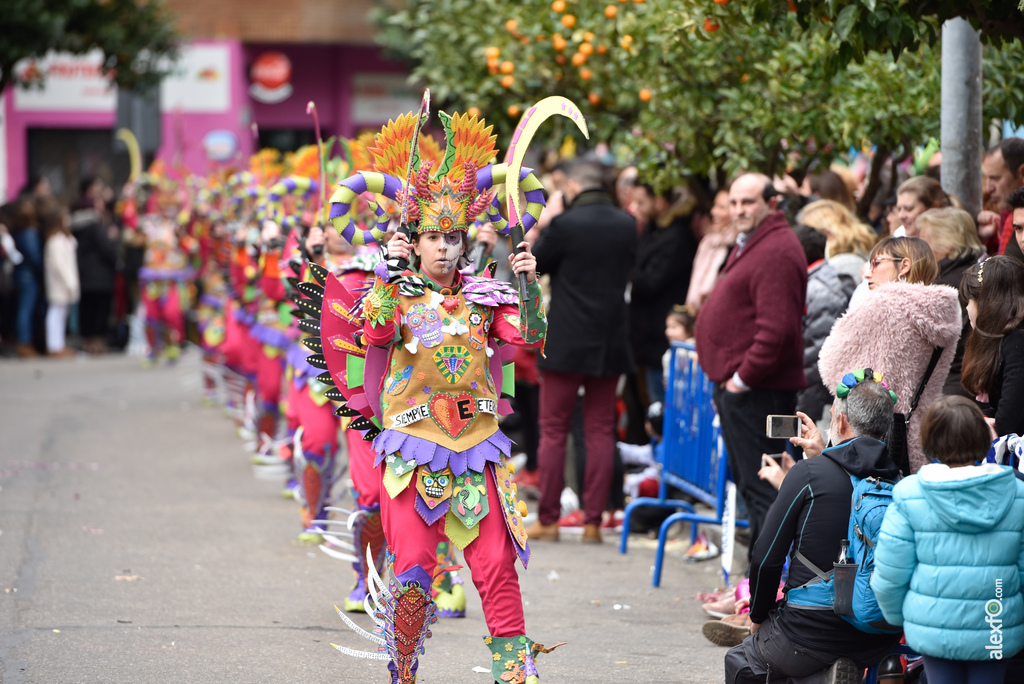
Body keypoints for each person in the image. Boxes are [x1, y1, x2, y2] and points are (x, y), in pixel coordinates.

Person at [313, 105, 564, 683]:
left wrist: (527, 281)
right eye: (432, 237)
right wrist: (386, 272)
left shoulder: (487, 296)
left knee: (498, 566)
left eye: (452, 236)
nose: (445, 248)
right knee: (414, 574)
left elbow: (528, 336)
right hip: (412, 451)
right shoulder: (395, 294)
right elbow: (373, 331)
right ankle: (403, 674)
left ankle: (515, 677)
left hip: (479, 448)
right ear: (415, 240)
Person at [724, 373, 903, 683]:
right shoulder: (900, 484)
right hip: (879, 636)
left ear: (842, 422)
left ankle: (820, 679)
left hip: (806, 634)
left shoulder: (809, 474)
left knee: (741, 661)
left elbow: (766, 557)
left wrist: (757, 614)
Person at [871, 396, 1024, 682]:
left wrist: (898, 617)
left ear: (929, 441)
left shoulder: (909, 494)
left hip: (933, 625)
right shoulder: (1016, 493)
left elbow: (890, 572)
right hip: (997, 625)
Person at [695, 172, 807, 554]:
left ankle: (762, 598)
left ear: (771, 203)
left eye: (748, 202)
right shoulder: (756, 242)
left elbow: (777, 331)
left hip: (760, 393)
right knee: (755, 489)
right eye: (734, 202)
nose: (739, 210)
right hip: (747, 391)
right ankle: (754, 590)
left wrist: (740, 380)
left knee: (765, 492)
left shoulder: (776, 248)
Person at [527, 159, 638, 543]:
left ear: (573, 187)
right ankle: (593, 522)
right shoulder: (627, 224)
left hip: (567, 338)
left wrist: (551, 219)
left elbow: (535, 265)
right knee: (600, 429)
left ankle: (550, 519)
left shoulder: (566, 224)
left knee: (554, 429)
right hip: (610, 338)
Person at [818, 237, 961, 473]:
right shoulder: (944, 311)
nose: (867, 273)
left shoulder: (883, 304)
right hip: (921, 435)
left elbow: (831, 365)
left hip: (872, 437)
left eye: (875, 263)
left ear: (904, 266)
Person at [630, 182, 699, 402]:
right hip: (647, 336)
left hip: (660, 335)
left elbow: (650, 283)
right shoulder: (652, 230)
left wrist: (627, 272)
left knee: (662, 404)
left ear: (659, 201)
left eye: (641, 202)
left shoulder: (676, 236)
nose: (634, 207)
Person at [916, 207, 987, 398]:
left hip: (948, 385)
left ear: (946, 244)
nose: (921, 250)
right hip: (968, 383)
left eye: (925, 241)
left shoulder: (944, 287)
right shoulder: (977, 275)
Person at [792, 225, 856, 426]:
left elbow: (816, 355)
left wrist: (804, 409)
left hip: (817, 406)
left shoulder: (820, 289)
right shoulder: (813, 282)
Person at [959, 255, 1024, 437]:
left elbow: (1009, 422)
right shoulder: (1009, 340)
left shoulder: (1017, 344)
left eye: (970, 300)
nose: (967, 308)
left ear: (989, 303)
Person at [72, 177, 118, 354]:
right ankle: (96, 342)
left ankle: (87, 341)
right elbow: (107, 249)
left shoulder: (77, 224)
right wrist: (112, 242)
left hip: (84, 274)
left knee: (87, 309)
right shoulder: (96, 225)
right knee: (100, 310)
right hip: (100, 275)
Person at [685, 187, 736, 312]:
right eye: (714, 206)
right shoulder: (707, 243)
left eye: (722, 207)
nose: (714, 212)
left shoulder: (736, 248)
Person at [40, 200, 79, 357]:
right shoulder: (54, 241)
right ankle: (53, 345)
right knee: (56, 313)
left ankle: (59, 343)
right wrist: (69, 281)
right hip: (59, 283)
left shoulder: (63, 239)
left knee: (62, 314)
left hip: (65, 282)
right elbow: (59, 265)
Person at [978, 138, 1024, 263]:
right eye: (986, 178)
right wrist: (986, 240)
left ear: (1022, 174)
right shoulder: (1007, 215)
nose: (988, 188)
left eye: (995, 178)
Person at [8, 195, 43, 357]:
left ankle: (23, 341)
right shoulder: (29, 232)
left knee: (22, 308)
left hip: (20, 274)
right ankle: (24, 342)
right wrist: (41, 270)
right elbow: (34, 256)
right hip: (28, 275)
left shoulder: (16, 230)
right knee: (25, 309)